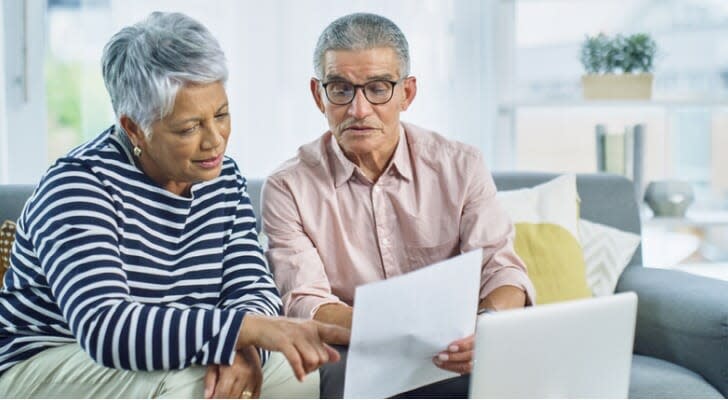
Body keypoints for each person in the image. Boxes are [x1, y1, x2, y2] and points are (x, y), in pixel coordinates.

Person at [0, 12, 348, 399]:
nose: (215, 140)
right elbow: (107, 329)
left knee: (292, 371)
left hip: (169, 356)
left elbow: (252, 286)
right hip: (43, 361)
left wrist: (244, 348)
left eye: (221, 115)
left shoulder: (222, 179)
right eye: (188, 128)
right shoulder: (77, 186)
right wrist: (241, 331)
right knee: (190, 384)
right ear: (134, 128)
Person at [261, 12, 536, 398]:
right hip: (356, 356)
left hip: (457, 353)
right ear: (317, 93)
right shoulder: (287, 187)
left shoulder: (461, 165)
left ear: (407, 93)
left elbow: (502, 270)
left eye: (377, 88)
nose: (359, 110)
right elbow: (306, 301)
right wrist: (401, 334)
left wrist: (488, 326)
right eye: (340, 89)